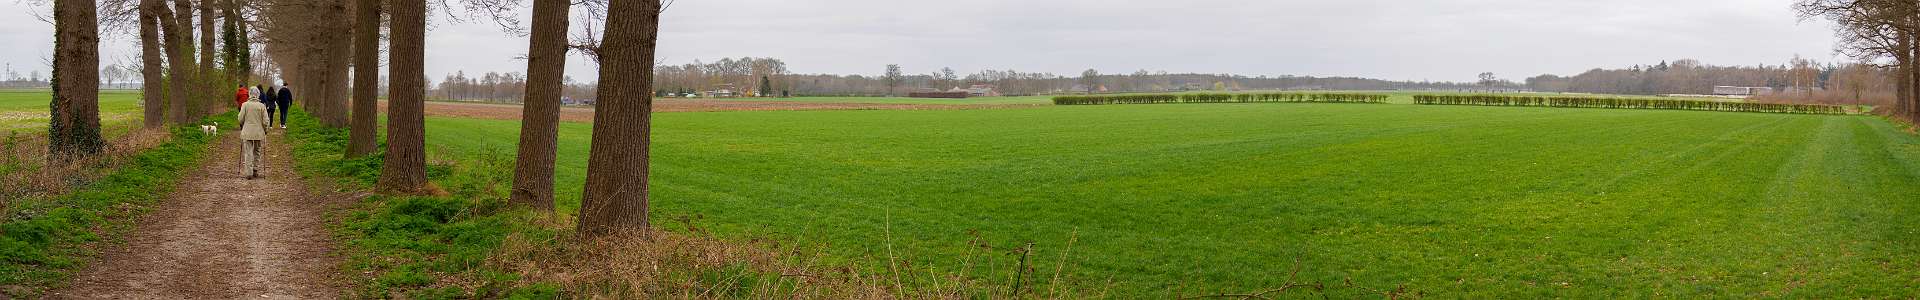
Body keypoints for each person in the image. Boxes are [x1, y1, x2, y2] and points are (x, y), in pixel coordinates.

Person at [237, 93, 270, 179]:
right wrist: (265, 130)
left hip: (247, 132)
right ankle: (255, 170)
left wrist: (243, 124)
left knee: (248, 152)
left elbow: (240, 119)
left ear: (250, 95)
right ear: (258, 95)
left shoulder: (245, 105)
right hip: (259, 133)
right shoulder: (262, 106)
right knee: (257, 151)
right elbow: (266, 121)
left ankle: (249, 173)